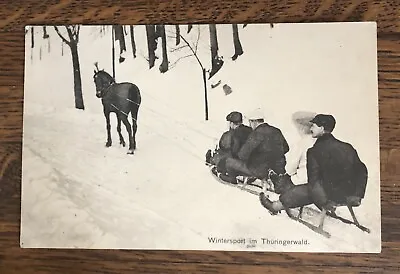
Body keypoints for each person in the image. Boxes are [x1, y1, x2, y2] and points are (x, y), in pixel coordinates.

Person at [259, 114, 368, 215]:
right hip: (349, 195)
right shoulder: (347, 147)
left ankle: (275, 206)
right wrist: (358, 195)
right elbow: (362, 171)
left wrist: (323, 203)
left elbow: (313, 182)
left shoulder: (314, 151)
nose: (311, 129)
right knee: (315, 187)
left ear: (321, 128)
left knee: (306, 190)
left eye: (313, 126)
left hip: (330, 196)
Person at [223, 108, 290, 183]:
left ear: (254, 121)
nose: (250, 125)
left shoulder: (255, 134)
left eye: (250, 122)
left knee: (229, 161)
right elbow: (286, 148)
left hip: (259, 171)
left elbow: (242, 155)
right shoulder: (276, 130)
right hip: (278, 169)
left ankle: (232, 179)